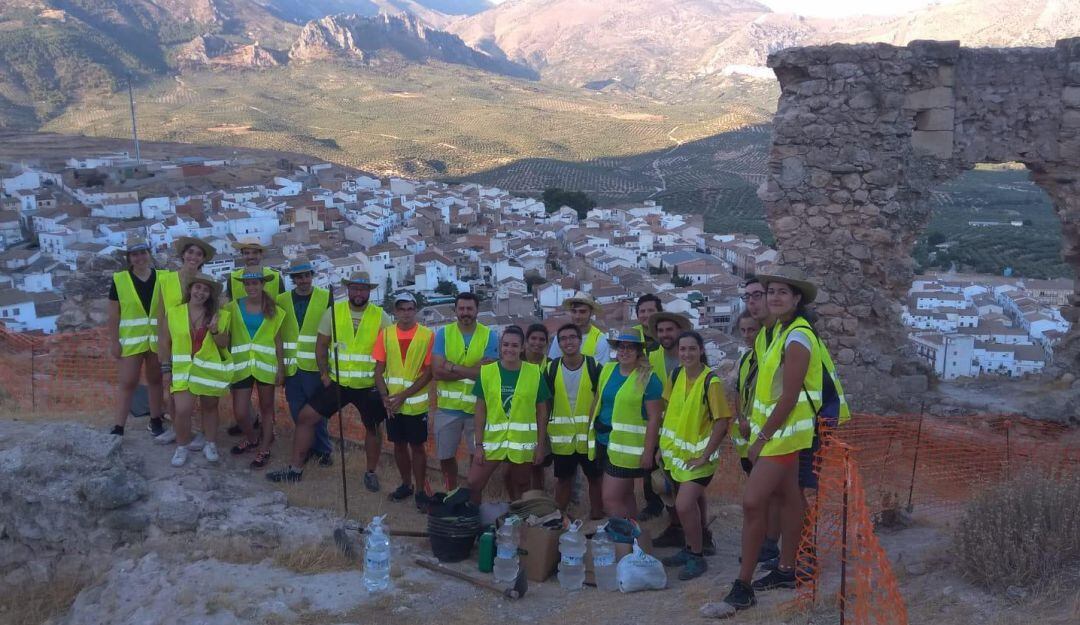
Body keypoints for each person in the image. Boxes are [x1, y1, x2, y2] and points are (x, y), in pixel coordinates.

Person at [718, 266, 848, 613]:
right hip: (781, 432)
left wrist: (760, 438)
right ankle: (789, 568)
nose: (773, 297)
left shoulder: (797, 337)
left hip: (786, 435)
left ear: (796, 299)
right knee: (789, 496)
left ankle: (743, 586)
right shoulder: (775, 333)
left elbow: (789, 396)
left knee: (752, 501)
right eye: (769, 291)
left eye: (781, 293)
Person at [265, 271, 392, 484]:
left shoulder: (381, 316)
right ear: (348, 289)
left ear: (369, 291)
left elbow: (390, 350)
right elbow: (321, 346)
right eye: (354, 288)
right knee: (306, 417)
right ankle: (295, 470)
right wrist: (324, 374)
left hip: (367, 384)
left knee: (373, 428)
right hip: (337, 382)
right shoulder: (334, 312)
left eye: (363, 288)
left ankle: (370, 473)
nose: (358, 292)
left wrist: (383, 383)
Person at [658, 331, 730, 580]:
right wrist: (660, 447)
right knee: (687, 506)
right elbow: (668, 411)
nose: (686, 354)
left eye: (691, 349)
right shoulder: (675, 375)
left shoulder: (711, 382)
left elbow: (722, 423)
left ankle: (697, 557)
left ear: (701, 351)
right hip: (677, 457)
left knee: (684, 505)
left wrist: (705, 456)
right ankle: (689, 549)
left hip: (700, 460)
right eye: (682, 349)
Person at [467, 326, 550, 504]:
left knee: (521, 484)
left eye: (514, 345)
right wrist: (479, 445)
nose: (509, 349)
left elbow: (542, 413)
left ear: (522, 348)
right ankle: (472, 520)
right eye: (505, 345)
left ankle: (519, 518)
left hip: (522, 442)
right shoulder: (487, 372)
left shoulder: (534, 373)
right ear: (500, 346)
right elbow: (480, 411)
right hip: (492, 441)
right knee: (474, 482)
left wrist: (540, 446)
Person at [588, 331, 663, 520]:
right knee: (626, 494)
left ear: (639, 351)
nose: (625, 351)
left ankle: (625, 537)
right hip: (604, 440)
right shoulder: (607, 370)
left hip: (628, 449)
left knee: (610, 499)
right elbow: (598, 401)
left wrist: (648, 452)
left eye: (631, 347)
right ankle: (634, 543)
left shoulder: (648, 378)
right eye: (622, 347)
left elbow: (655, 418)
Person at [159, 273, 231, 467]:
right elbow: (165, 343)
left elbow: (224, 344)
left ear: (210, 294)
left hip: (208, 370)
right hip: (183, 370)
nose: (201, 292)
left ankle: (210, 443)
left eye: (206, 290)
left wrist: (215, 330)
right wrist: (166, 370)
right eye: (198, 287)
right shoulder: (173, 313)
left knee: (210, 407)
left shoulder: (221, 315)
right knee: (182, 410)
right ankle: (182, 446)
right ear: (190, 289)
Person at [430, 292, 498, 491]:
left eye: (470, 308)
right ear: (455, 310)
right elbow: (436, 372)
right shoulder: (444, 333)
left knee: (476, 457)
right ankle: (451, 491)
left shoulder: (489, 335)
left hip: (478, 409)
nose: (465, 312)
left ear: (477, 310)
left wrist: (452, 366)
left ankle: (471, 493)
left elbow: (487, 375)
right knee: (445, 456)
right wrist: (473, 369)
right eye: (461, 308)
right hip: (447, 409)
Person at [735, 279, 781, 566]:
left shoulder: (771, 349)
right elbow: (743, 393)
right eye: (743, 331)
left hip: (769, 436)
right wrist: (741, 417)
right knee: (762, 495)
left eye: (752, 330)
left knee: (772, 495)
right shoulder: (745, 360)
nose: (748, 335)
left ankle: (771, 544)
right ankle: (765, 540)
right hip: (750, 438)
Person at [152, 236, 216, 441]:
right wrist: (162, 349)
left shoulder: (205, 282)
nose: (193, 257)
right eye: (190, 252)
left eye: (198, 254)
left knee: (201, 391)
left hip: (199, 343)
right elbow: (160, 314)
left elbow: (217, 305)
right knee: (171, 388)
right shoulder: (166, 280)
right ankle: (177, 429)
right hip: (174, 341)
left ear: (202, 259)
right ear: (183, 255)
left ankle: (201, 432)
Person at [373, 292, 434, 510]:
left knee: (417, 447)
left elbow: (428, 373)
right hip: (391, 404)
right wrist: (385, 398)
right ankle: (405, 484)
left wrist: (402, 396)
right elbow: (378, 371)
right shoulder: (386, 334)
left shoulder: (427, 336)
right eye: (402, 309)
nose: (406, 313)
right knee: (398, 445)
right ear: (395, 311)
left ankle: (419, 490)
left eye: (410, 309)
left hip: (415, 403)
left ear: (415, 310)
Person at [226, 267, 286, 469]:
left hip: (265, 366)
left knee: (267, 410)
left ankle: (265, 448)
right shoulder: (232, 307)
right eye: (247, 283)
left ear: (262, 284)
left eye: (255, 283)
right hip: (240, 366)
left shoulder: (274, 310)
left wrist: (281, 368)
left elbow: (278, 341)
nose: (251, 287)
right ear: (243, 285)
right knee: (241, 412)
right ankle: (252, 439)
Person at [277, 257, 333, 467]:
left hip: (315, 367)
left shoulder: (326, 297)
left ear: (312, 276)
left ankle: (323, 450)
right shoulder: (281, 300)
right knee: (296, 410)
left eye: (307, 275)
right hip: (292, 368)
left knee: (317, 413)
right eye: (299, 277)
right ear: (293, 279)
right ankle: (307, 447)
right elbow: (278, 335)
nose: (303, 280)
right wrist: (280, 367)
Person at [108, 236, 165, 437]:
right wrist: (114, 342)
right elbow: (114, 314)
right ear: (129, 258)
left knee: (155, 380)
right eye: (135, 254)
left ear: (149, 254)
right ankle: (119, 426)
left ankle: (156, 419)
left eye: (143, 253)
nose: (140, 257)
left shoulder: (163, 277)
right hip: (131, 341)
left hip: (156, 340)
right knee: (128, 382)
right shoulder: (119, 280)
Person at [546, 323, 603, 518]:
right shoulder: (550, 369)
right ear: (558, 343)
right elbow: (545, 404)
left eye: (572, 337)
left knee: (595, 479)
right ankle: (558, 519)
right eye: (563, 338)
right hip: (562, 440)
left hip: (589, 438)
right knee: (563, 481)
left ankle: (597, 517)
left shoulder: (594, 366)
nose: (568, 341)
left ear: (580, 340)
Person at [644, 311, 692, 531]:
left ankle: (700, 534)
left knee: (688, 486)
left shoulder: (689, 358)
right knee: (664, 486)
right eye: (660, 331)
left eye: (669, 330)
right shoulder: (651, 358)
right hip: (659, 430)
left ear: (680, 331)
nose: (664, 335)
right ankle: (675, 527)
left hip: (686, 432)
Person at [523, 322, 551, 490]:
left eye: (542, 339)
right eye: (533, 338)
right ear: (526, 341)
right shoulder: (516, 360)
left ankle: (537, 499)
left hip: (542, 419)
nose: (537, 343)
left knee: (537, 465)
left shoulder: (551, 364)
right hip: (518, 418)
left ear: (546, 343)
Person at [547, 292, 610, 363]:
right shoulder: (560, 337)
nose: (577, 316)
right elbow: (552, 366)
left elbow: (601, 371)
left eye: (582, 312)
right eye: (574, 311)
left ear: (591, 313)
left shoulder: (600, 340)